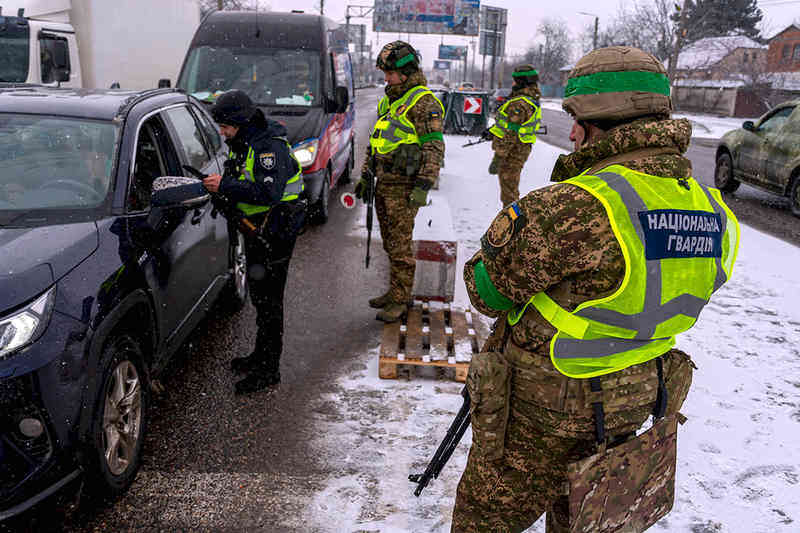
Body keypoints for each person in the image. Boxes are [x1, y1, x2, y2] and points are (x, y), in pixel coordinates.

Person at [451, 46, 741, 532]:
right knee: (586, 519)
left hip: (542, 407)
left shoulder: (573, 205)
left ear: (593, 122)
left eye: (574, 118)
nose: (572, 132)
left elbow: (486, 292)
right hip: (634, 399)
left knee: (484, 522)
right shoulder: (711, 209)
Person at [203, 90, 305, 395]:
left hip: (275, 232)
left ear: (240, 121)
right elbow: (243, 183)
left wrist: (226, 185)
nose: (222, 132)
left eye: (225, 126)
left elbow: (266, 193)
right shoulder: (244, 141)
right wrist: (225, 193)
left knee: (270, 303)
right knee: (261, 300)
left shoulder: (267, 147)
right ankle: (260, 356)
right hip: (259, 230)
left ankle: (268, 370)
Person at [354, 41, 445, 323]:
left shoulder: (424, 103)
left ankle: (402, 299)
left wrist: (423, 185)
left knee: (401, 247)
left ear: (405, 72)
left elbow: (434, 148)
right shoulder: (390, 100)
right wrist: (367, 174)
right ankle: (395, 291)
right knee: (391, 243)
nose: (386, 78)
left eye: (390, 73)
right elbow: (376, 142)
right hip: (384, 183)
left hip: (404, 188)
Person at [485, 64, 542, 207]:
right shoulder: (529, 100)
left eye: (515, 80)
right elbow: (508, 126)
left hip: (512, 153)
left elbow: (510, 133)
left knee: (509, 194)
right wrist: (492, 132)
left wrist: (497, 158)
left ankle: (513, 223)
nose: (513, 83)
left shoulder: (519, 104)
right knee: (510, 190)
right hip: (520, 149)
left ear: (521, 81)